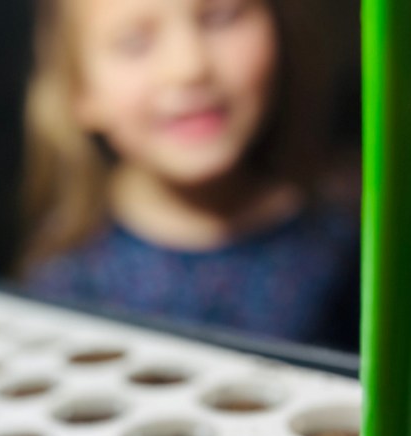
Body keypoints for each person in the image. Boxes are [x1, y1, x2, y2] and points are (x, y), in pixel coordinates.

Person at [19, 0, 360, 349]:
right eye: (134, 41)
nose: (189, 66)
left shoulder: (349, 236)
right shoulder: (67, 274)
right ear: (80, 90)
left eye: (222, 17)